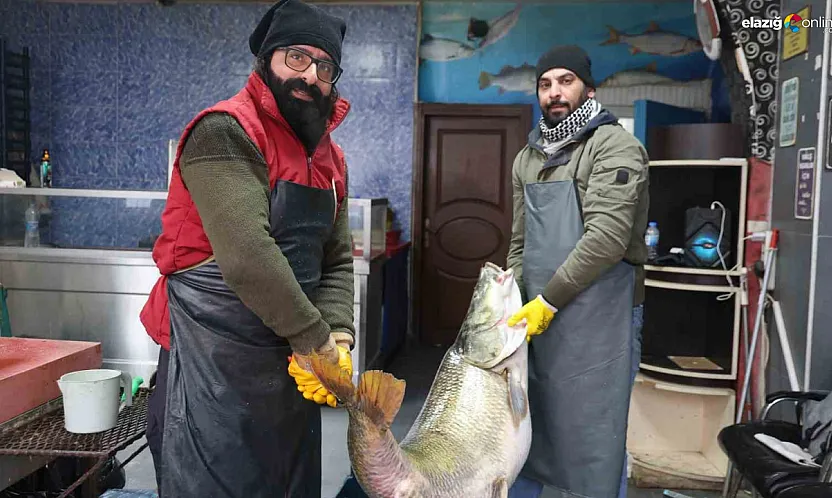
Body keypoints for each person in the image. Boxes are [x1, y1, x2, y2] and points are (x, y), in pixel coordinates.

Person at [139, 1, 355, 496]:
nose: (312, 77)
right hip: (210, 366)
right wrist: (315, 340)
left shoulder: (331, 158)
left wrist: (337, 336)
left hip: (290, 368)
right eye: (297, 58)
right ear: (267, 59)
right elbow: (247, 255)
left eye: (325, 67)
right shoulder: (224, 131)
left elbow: (337, 259)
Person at [505, 45, 650, 498]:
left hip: (599, 320)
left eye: (565, 81)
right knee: (526, 428)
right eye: (545, 84)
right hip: (537, 319)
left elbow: (606, 240)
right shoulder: (527, 158)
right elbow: (519, 242)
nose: (554, 92)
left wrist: (547, 300)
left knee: (593, 439)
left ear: (589, 88)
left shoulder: (616, 147)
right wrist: (511, 298)